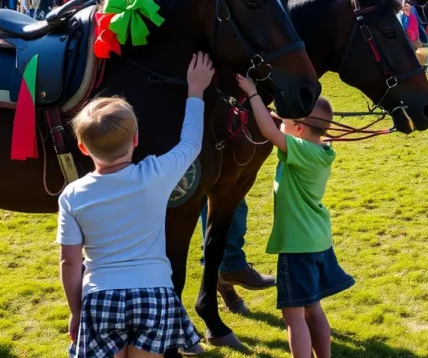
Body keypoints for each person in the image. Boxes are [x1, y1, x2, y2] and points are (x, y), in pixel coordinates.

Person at [57, 53, 214, 357]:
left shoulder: (73, 195)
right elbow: (191, 143)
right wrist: (196, 91)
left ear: (82, 147)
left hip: (100, 297)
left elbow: (70, 262)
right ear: (136, 139)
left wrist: (76, 312)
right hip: (155, 294)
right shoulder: (154, 174)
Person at [236, 72, 353, 358]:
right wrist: (283, 116)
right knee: (313, 308)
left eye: (287, 120)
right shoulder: (320, 150)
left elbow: (269, 132)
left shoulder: (299, 150)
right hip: (318, 240)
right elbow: (282, 125)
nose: (281, 120)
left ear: (299, 129)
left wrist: (253, 93)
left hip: (297, 247)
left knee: (294, 317)